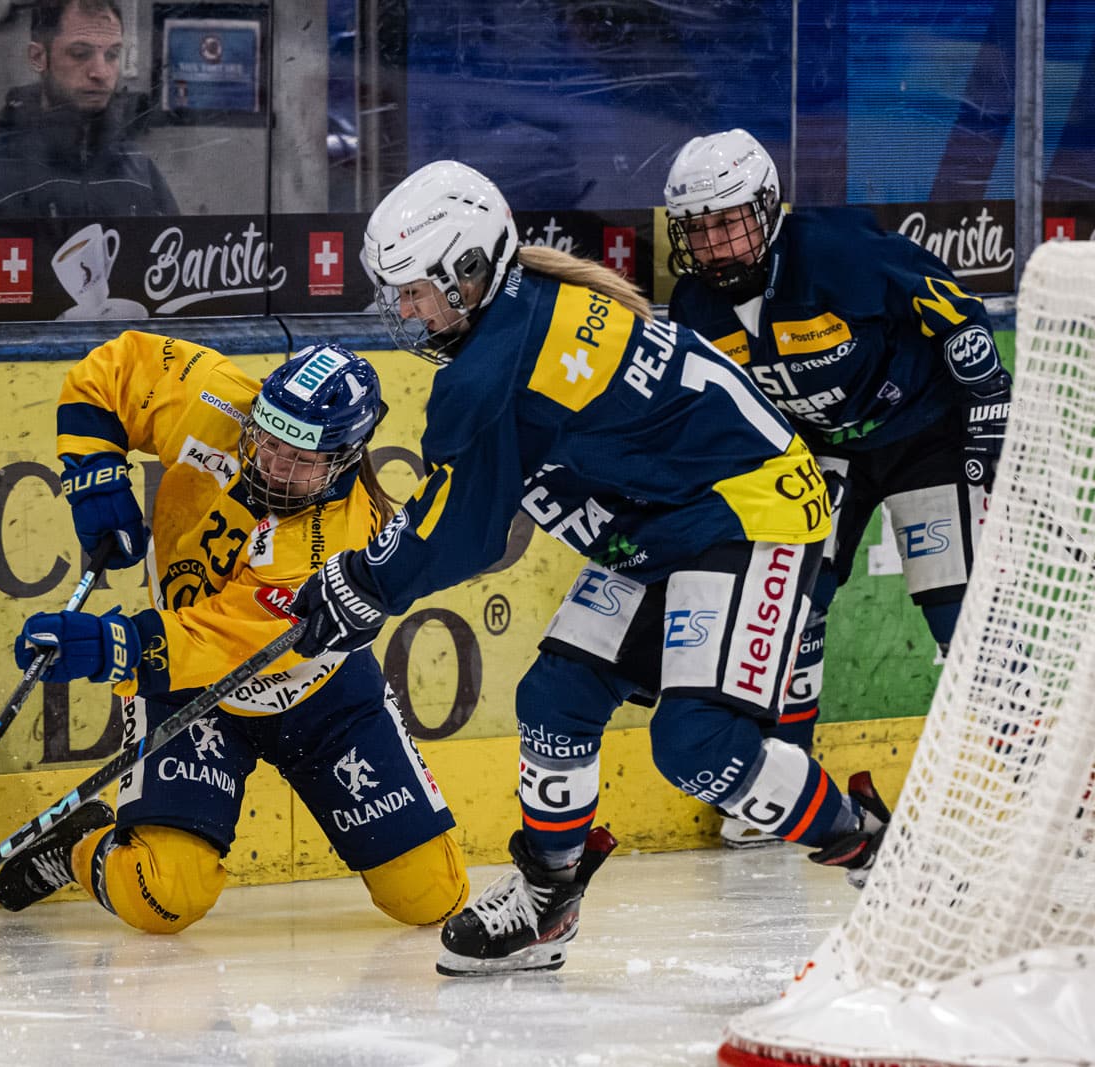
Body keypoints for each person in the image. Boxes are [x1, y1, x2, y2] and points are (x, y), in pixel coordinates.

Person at [286, 160, 893, 978]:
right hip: (662, 525)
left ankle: (875, 849)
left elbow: (460, 528)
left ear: (469, 272)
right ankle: (547, 898)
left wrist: (364, 581)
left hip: (749, 512)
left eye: (414, 289)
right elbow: (464, 513)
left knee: (698, 743)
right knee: (555, 697)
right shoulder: (516, 316)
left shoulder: (496, 362)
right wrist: (368, 579)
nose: (403, 309)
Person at [0, 335, 469, 938]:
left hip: (320, 695)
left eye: (299, 458)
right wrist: (94, 470)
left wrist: (114, 646)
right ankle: (81, 844)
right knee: (160, 899)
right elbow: (109, 373)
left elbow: (228, 644)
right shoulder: (214, 399)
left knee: (432, 896)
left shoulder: (342, 539)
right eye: (267, 438)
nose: (271, 463)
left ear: (345, 458)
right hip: (190, 699)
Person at [663, 130, 1011, 848]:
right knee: (789, 610)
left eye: (729, 220)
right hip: (818, 452)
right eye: (698, 229)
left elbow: (952, 311)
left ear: (766, 207)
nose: (716, 244)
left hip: (922, 436)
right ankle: (786, 779)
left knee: (960, 614)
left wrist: (987, 403)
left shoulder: (837, 250)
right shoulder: (695, 311)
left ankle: (1044, 771)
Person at [0, 0, 177, 219]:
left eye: (112, 54)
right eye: (80, 53)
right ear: (38, 57)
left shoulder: (141, 173)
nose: (101, 72)